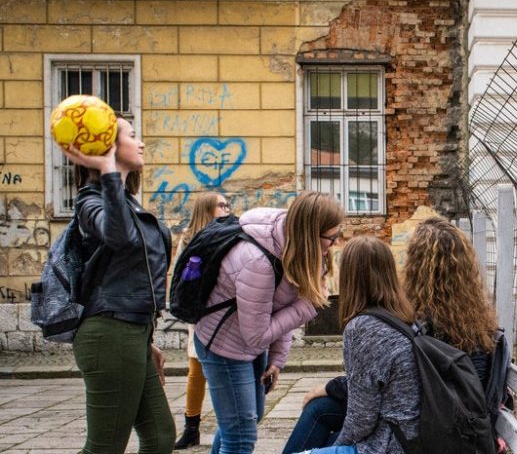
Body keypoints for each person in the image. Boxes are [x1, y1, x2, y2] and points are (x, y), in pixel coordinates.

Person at [283, 217, 502, 453]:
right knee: (320, 408)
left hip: (426, 430)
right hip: (429, 421)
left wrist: (339, 445)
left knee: (322, 416)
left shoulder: (419, 321)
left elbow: (375, 396)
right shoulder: (477, 322)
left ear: (418, 265)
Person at [60, 117, 176, 453]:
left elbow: (135, 275)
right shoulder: (91, 200)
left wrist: (146, 339)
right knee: (105, 446)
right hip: (109, 332)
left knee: (160, 437)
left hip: (132, 333)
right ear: (108, 145)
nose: (140, 143)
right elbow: (120, 236)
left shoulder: (127, 201)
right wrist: (108, 169)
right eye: (132, 136)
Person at [194, 191, 340, 454]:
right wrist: (309, 306)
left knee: (246, 418)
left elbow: (281, 304)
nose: (334, 244)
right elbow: (258, 334)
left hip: (248, 341)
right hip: (223, 347)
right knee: (240, 434)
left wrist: (276, 359)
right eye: (331, 238)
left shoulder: (294, 249)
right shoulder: (258, 263)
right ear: (310, 234)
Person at [295, 236, 421, 454]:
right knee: (318, 408)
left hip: (391, 444)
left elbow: (362, 418)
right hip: (407, 432)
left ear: (350, 277)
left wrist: (333, 448)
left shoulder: (364, 327)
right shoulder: (403, 313)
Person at [172, 191, 231, 449]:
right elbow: (178, 274)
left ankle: (227, 426)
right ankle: (191, 427)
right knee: (196, 371)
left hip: (224, 312)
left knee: (225, 373)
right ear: (207, 210)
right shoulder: (189, 238)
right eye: (221, 205)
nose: (227, 209)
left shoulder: (230, 234)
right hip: (199, 311)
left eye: (227, 204)